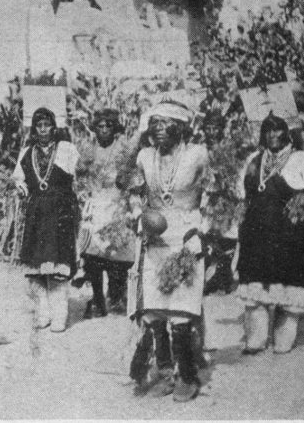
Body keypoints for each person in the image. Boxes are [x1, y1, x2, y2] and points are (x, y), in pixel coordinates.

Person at [127, 100, 208, 402]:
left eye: (166, 124)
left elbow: (218, 193)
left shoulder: (198, 154)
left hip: (186, 237)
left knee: (181, 310)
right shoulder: (145, 156)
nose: (159, 129)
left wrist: (203, 228)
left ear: (180, 127)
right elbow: (134, 192)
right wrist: (139, 215)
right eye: (155, 124)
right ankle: (165, 372)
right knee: (155, 311)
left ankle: (187, 375)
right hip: (155, 237)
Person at [235, 114, 304, 354]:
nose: (272, 135)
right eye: (267, 130)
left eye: (277, 130)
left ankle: (283, 337)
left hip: (289, 238)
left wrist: (302, 204)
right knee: (255, 289)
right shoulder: (254, 160)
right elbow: (243, 194)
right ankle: (256, 338)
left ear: (287, 133)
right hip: (257, 236)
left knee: (287, 287)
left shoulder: (302, 160)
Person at [13, 107, 80, 332]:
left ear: (53, 127)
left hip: (60, 212)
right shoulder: (27, 152)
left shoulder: (66, 149)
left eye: (47, 125)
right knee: (37, 269)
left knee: (57, 266)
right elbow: (19, 179)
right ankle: (43, 313)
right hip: (36, 213)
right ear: (34, 129)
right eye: (39, 125)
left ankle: (60, 316)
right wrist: (21, 188)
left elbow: (79, 176)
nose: (43, 130)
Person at [72, 109, 135, 318]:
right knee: (92, 256)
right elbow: (79, 175)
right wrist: (84, 192)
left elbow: (131, 173)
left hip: (118, 205)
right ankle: (97, 299)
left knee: (118, 255)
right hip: (96, 206)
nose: (105, 130)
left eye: (109, 125)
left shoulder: (123, 148)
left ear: (115, 128)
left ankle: (116, 295)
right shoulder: (88, 149)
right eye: (100, 126)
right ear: (95, 128)